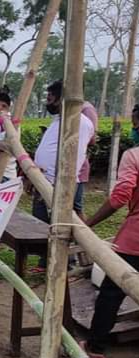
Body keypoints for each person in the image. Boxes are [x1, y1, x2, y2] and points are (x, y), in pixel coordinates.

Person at [81, 105, 139, 358]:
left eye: (135, 124)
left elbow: (120, 196)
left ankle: (95, 347)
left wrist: (88, 223)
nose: (134, 129)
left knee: (112, 291)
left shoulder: (134, 156)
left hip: (136, 237)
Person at [31, 80, 94, 272]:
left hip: (57, 183)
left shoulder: (79, 123)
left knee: (57, 224)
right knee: (43, 221)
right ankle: (49, 262)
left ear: (61, 99)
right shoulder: (60, 119)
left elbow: (73, 155)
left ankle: (63, 263)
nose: (48, 103)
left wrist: (53, 181)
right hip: (44, 180)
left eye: (50, 99)